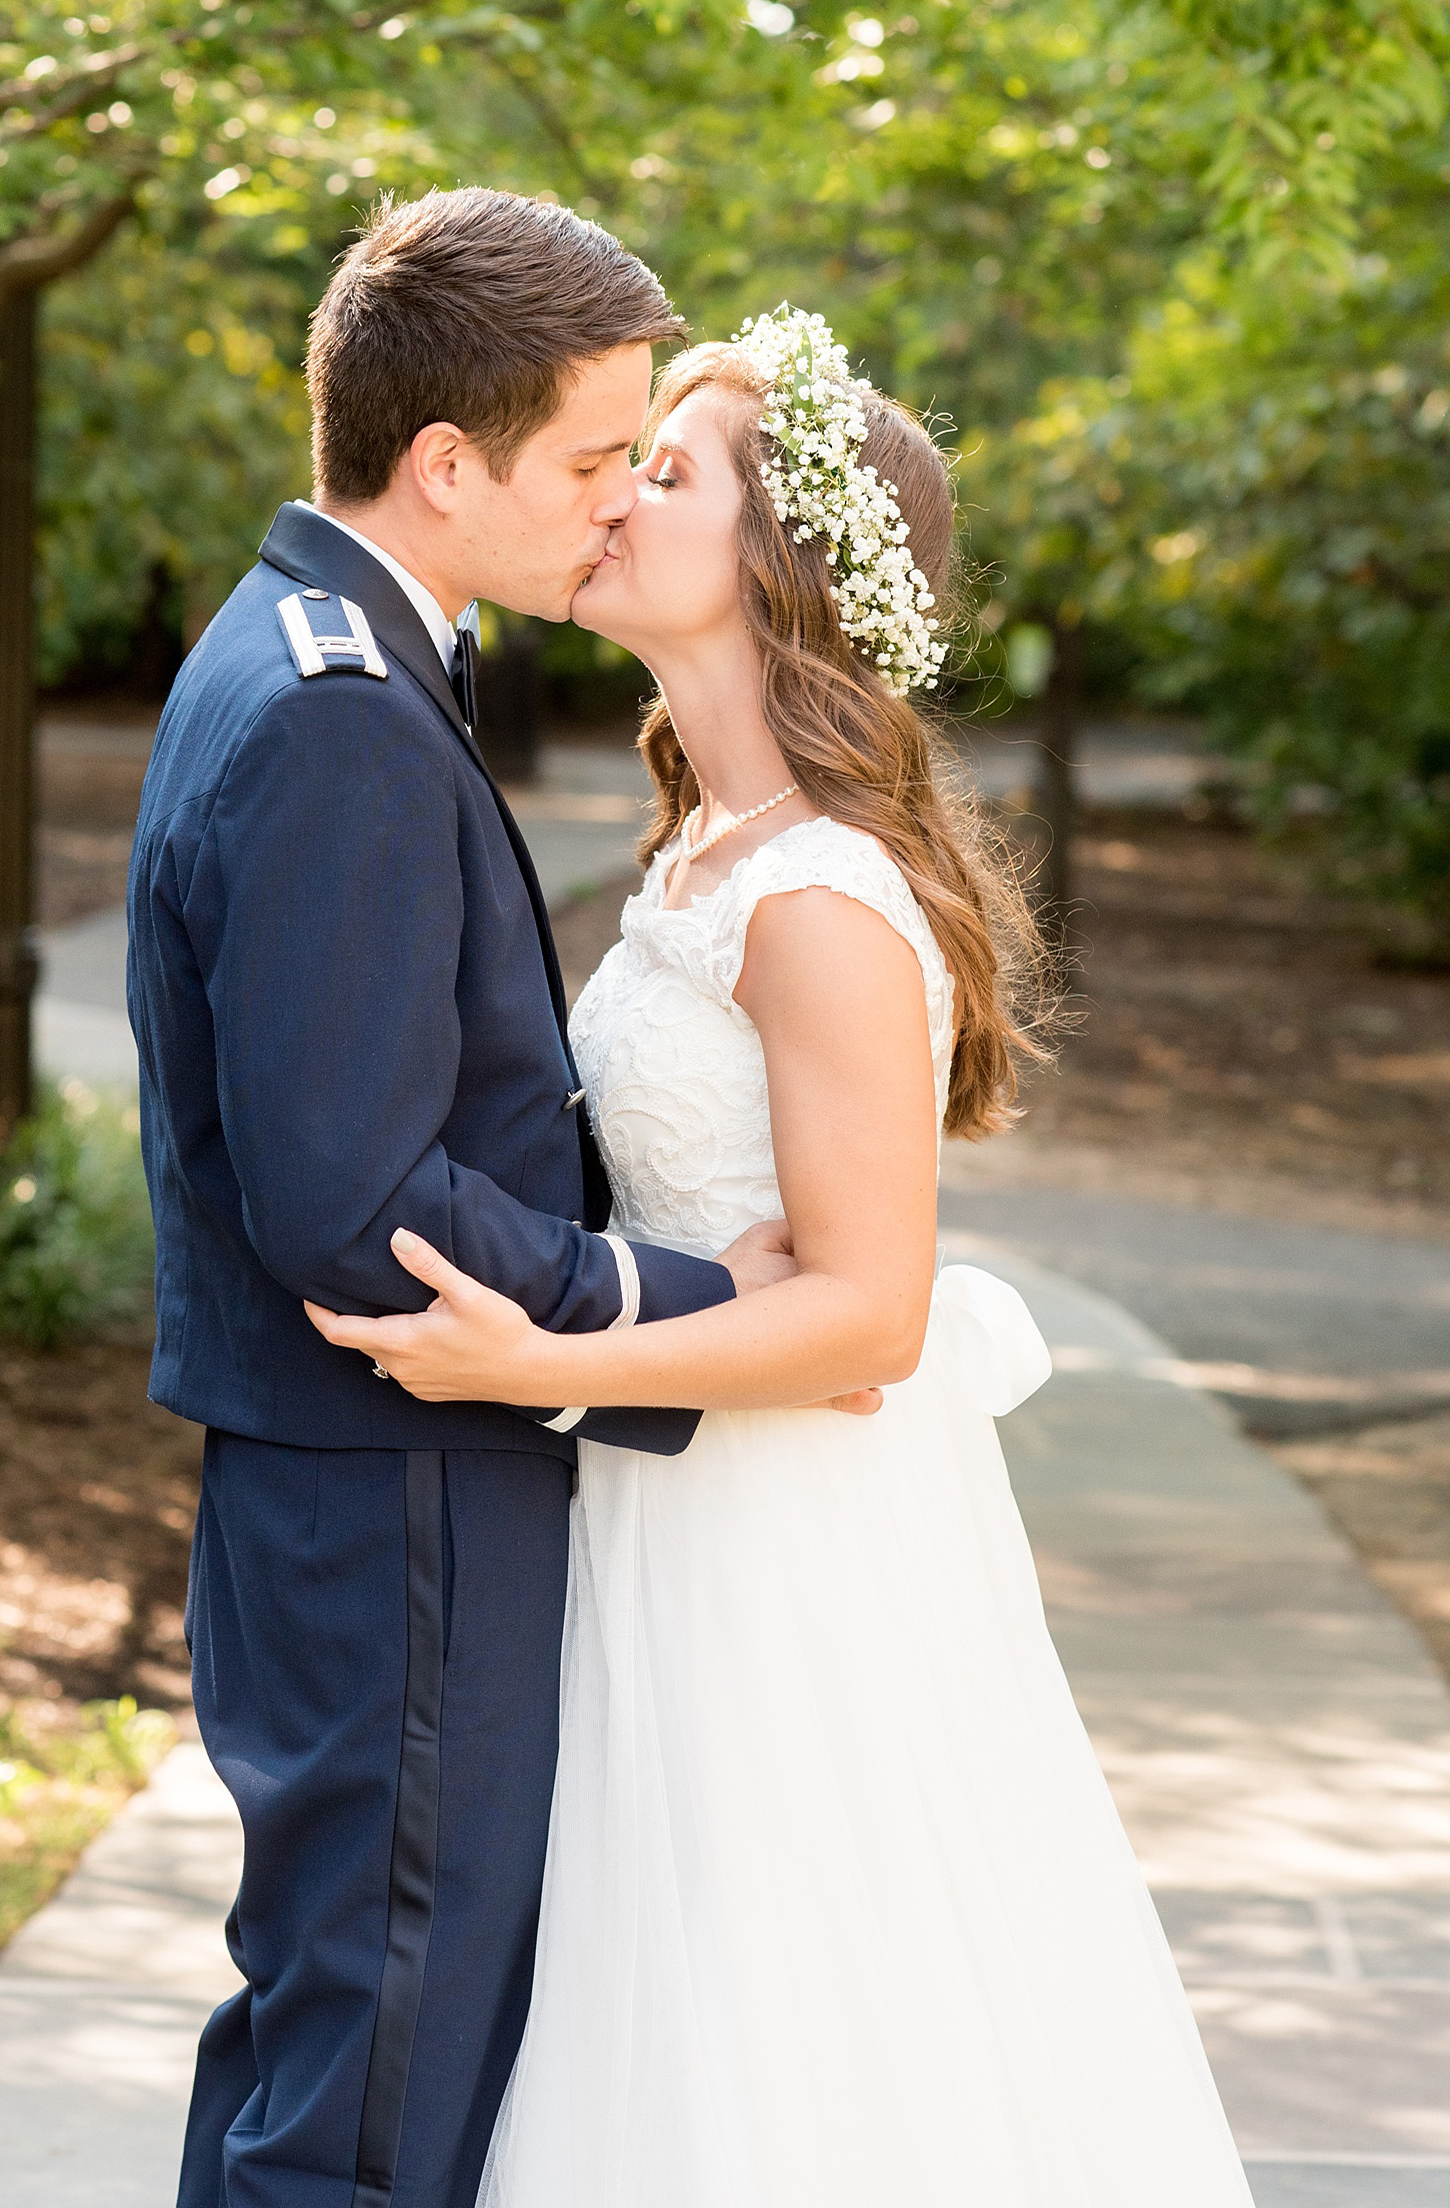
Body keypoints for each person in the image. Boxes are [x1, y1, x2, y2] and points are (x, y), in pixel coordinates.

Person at [311, 308, 1258, 2205]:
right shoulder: (700, 851)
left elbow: (873, 1313)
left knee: (789, 2019)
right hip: (663, 1495)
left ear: (775, 560)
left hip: (786, 1540)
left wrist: (540, 1357)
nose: (611, 494)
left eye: (660, 469)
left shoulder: (818, 891)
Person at [127, 192, 836, 2208]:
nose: (615, 504)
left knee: (327, 2042)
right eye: (596, 459)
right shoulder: (342, 715)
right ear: (449, 464)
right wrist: (668, 1294)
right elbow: (359, 1204)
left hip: (342, 1496)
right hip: (394, 1493)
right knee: (372, 2095)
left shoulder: (306, 649)